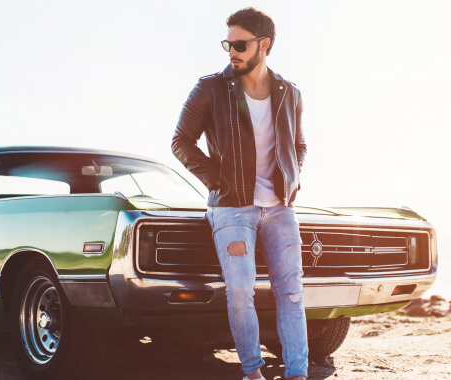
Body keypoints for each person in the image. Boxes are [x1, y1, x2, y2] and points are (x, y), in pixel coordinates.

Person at [171, 7, 308, 380]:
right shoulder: (211, 88)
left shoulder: (289, 93)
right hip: (232, 209)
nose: (231, 51)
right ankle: (252, 372)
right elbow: (181, 141)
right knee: (240, 291)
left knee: (292, 293)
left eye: (240, 44)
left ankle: (297, 373)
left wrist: (292, 179)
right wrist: (217, 179)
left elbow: (299, 145)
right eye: (227, 43)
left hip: (280, 209)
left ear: (264, 45)